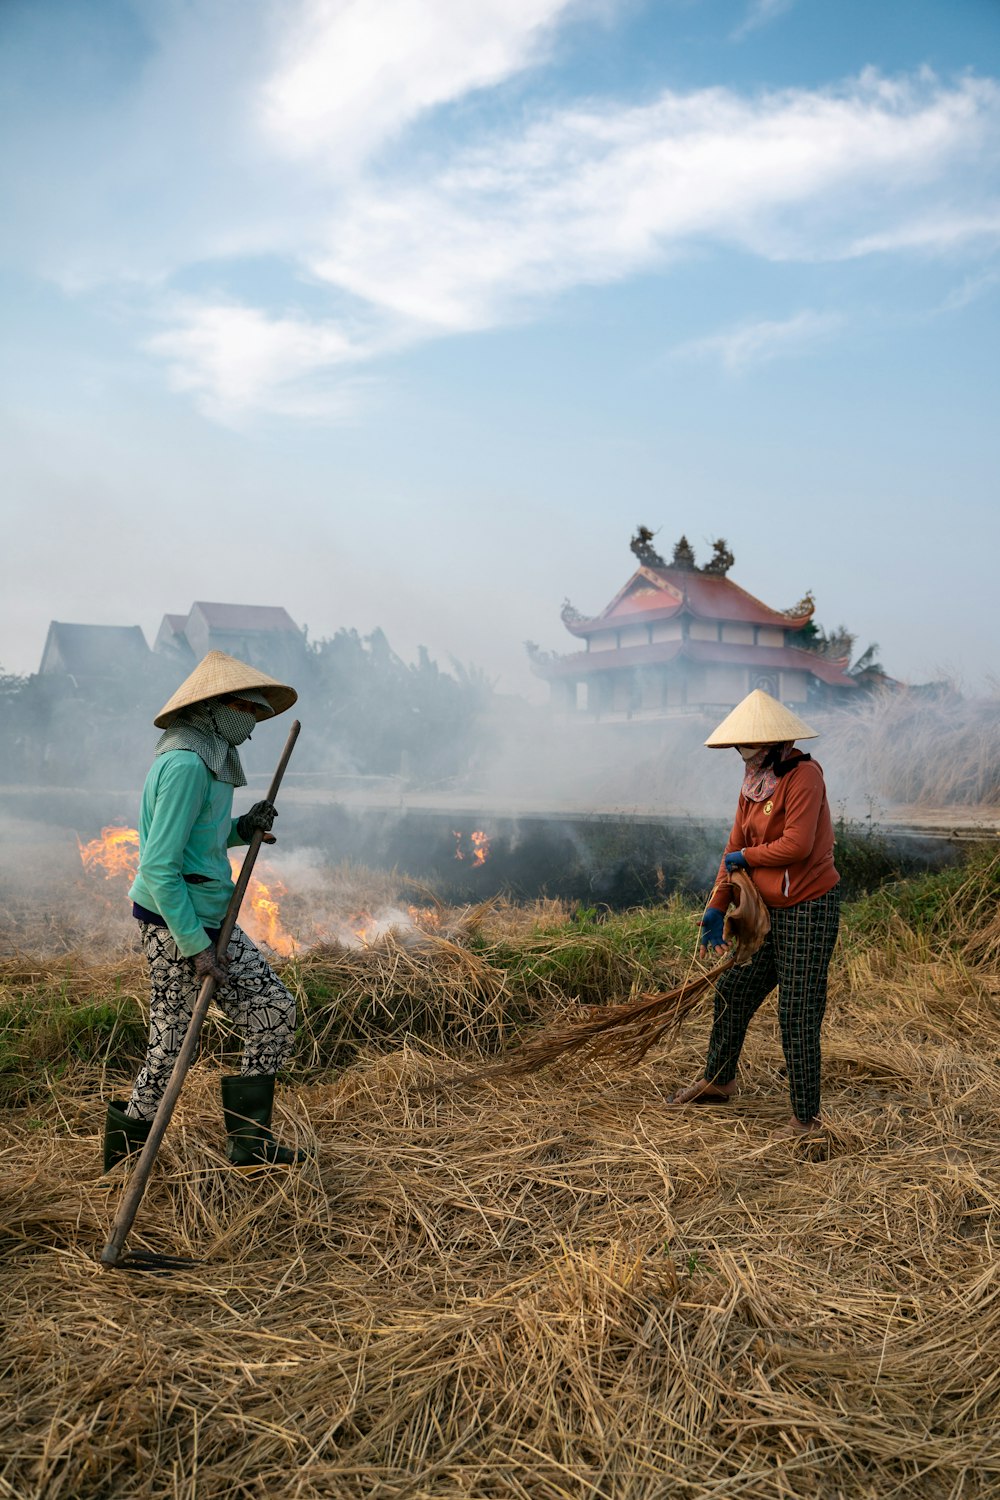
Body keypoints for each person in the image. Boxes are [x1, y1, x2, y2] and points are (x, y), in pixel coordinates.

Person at [102, 650, 307, 1172]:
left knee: (273, 1010)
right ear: (217, 706)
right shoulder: (187, 766)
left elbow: (202, 844)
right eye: (248, 710)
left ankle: (250, 1144)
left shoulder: (208, 758)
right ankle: (124, 1162)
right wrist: (196, 948)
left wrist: (245, 827)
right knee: (172, 1046)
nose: (254, 726)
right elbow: (160, 867)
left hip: (209, 914)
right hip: (178, 924)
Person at [671, 689, 840, 1139]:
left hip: (809, 907)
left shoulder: (803, 776)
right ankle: (720, 1079)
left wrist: (747, 857)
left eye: (748, 746)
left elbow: (797, 846)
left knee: (797, 1011)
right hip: (770, 910)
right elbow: (732, 849)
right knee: (734, 989)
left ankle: (806, 1120)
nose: (741, 755)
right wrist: (716, 905)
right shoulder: (755, 782)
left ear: (771, 743)